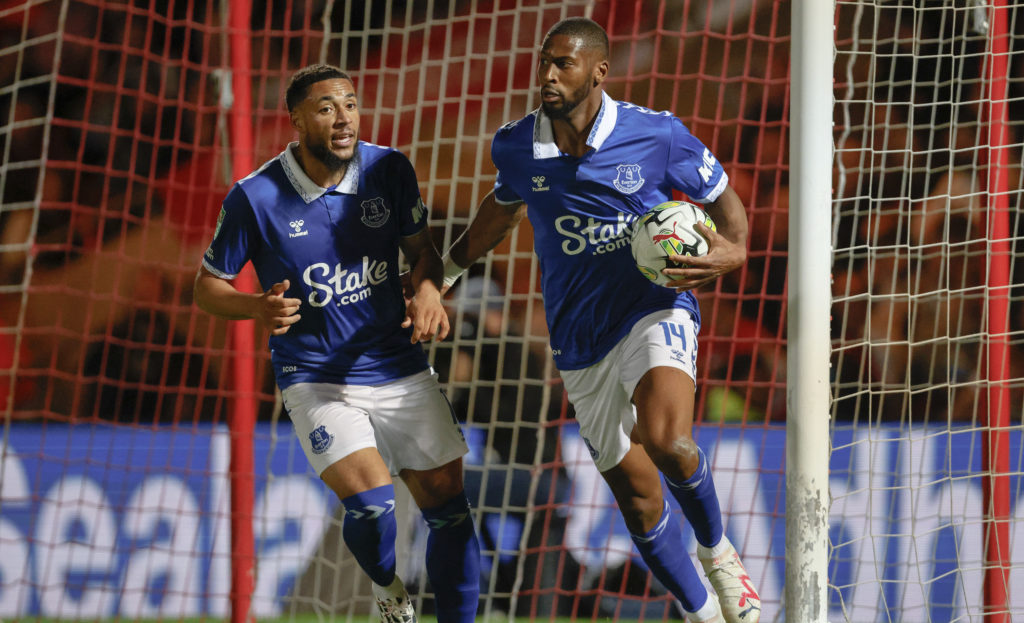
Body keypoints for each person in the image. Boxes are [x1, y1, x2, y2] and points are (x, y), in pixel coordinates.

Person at [440, 18, 760, 623]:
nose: (549, 75)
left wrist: (734, 249)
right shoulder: (516, 145)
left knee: (668, 439)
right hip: (578, 340)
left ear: (599, 71)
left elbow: (723, 202)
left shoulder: (656, 135)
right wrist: (447, 272)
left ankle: (718, 553)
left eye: (563, 63)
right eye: (545, 62)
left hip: (652, 306)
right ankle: (700, 613)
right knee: (638, 503)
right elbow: (502, 208)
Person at [193, 64, 480, 623]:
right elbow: (206, 286)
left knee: (450, 511)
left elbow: (422, 249)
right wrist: (257, 306)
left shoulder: (389, 169)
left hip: (396, 364)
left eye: (349, 103)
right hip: (315, 375)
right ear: (297, 121)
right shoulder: (255, 197)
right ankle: (388, 588)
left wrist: (427, 289)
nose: (343, 117)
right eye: (326, 108)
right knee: (374, 507)